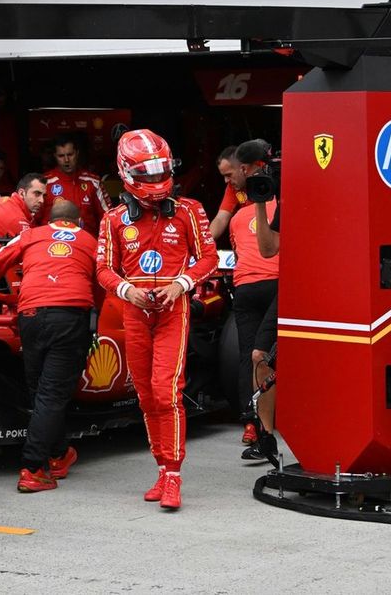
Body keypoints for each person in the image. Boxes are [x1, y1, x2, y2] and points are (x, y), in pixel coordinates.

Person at [96, 129, 218, 510]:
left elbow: (209, 258)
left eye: (159, 172)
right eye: (146, 175)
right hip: (134, 309)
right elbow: (102, 268)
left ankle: (175, 476)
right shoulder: (113, 219)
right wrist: (125, 291)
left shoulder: (189, 210)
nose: (155, 182)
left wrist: (181, 284)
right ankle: (162, 468)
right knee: (146, 395)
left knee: (167, 391)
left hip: (173, 309)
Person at [0, 201, 98, 493]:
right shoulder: (89, 240)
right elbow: (103, 280)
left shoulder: (32, 235)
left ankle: (59, 454)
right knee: (52, 394)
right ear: (77, 222)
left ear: (50, 220)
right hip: (69, 317)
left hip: (31, 316)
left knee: (41, 392)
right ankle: (33, 467)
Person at [217, 141, 280, 459]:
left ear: (245, 169)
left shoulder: (241, 216)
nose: (228, 182)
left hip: (255, 287)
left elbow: (221, 230)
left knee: (252, 356)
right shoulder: (256, 206)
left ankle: (254, 425)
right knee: (258, 356)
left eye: (230, 176)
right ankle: (261, 428)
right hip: (269, 285)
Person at [244, 139, 281, 462]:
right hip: (294, 287)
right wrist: (260, 199)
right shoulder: (284, 198)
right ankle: (267, 436)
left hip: (333, 285)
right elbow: (269, 249)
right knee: (259, 355)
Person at [39, 134, 111, 235]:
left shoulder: (93, 182)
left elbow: (109, 218)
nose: (66, 160)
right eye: (61, 156)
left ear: (77, 153)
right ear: (55, 156)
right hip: (51, 245)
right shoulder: (43, 183)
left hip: (87, 245)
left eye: (70, 154)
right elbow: (32, 219)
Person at [209, 146, 247, 242]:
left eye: (229, 175)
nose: (226, 181)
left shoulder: (267, 182)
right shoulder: (232, 186)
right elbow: (221, 219)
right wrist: (204, 243)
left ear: (243, 168)